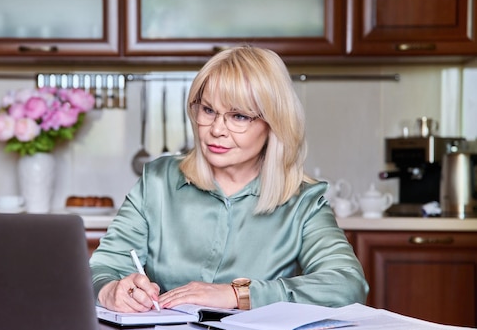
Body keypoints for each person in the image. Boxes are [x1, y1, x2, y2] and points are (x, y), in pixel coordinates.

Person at [89, 45, 369, 313]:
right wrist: (109, 290)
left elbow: (347, 285)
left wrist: (238, 294)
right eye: (208, 110)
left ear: (274, 123)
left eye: (238, 116)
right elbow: (100, 269)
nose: (216, 129)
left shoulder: (303, 201)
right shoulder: (158, 181)